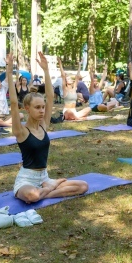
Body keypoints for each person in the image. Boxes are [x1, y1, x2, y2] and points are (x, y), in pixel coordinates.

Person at [7, 51, 88, 203]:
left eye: (43, 107)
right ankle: (50, 188)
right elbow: (12, 103)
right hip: (26, 179)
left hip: (44, 177)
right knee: (32, 196)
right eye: (37, 107)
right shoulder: (21, 131)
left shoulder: (44, 125)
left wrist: (46, 70)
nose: (42, 111)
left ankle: (46, 189)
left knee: (83, 186)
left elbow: (50, 97)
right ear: (27, 108)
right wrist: (9, 72)